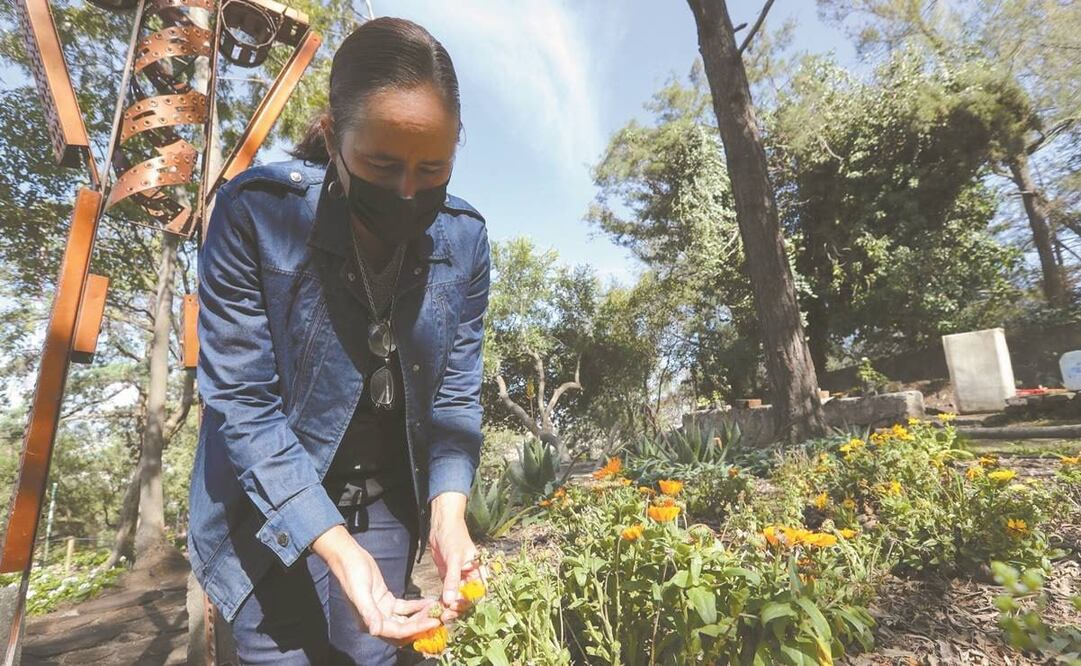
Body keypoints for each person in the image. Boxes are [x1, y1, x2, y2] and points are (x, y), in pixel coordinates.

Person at [186, 16, 490, 664]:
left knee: (371, 653)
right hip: (262, 508)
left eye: (431, 167)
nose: (408, 191)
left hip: (378, 500)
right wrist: (336, 549)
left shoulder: (464, 243)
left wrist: (448, 515)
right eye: (382, 164)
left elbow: (455, 398)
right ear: (331, 136)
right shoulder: (254, 216)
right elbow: (242, 405)